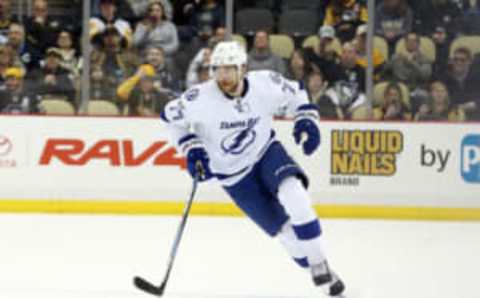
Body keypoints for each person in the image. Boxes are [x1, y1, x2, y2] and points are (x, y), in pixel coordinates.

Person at [161, 41, 346, 297]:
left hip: (265, 152)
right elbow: (170, 119)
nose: (223, 77)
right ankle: (329, 284)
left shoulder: (265, 83)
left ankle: (319, 262)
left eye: (229, 69)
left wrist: (306, 118)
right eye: (217, 70)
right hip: (234, 177)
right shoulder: (199, 98)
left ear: (243, 68)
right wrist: (191, 148)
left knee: (295, 195)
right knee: (285, 234)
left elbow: (297, 92)